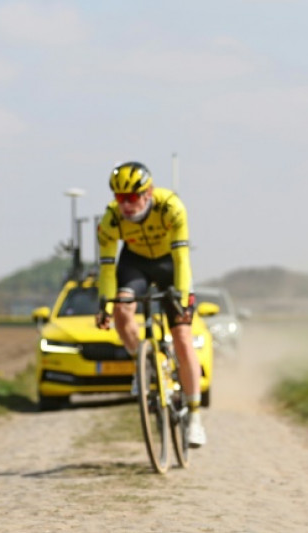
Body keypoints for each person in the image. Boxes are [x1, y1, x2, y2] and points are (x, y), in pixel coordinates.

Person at [95, 161, 207, 447]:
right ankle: (142, 364)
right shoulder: (110, 221)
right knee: (122, 308)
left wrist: (183, 297)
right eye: (120, 198)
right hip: (136, 264)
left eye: (132, 197)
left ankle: (194, 418)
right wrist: (105, 304)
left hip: (170, 263)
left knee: (182, 336)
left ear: (149, 192)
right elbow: (107, 269)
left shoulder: (171, 207)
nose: (126, 205)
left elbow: (182, 259)